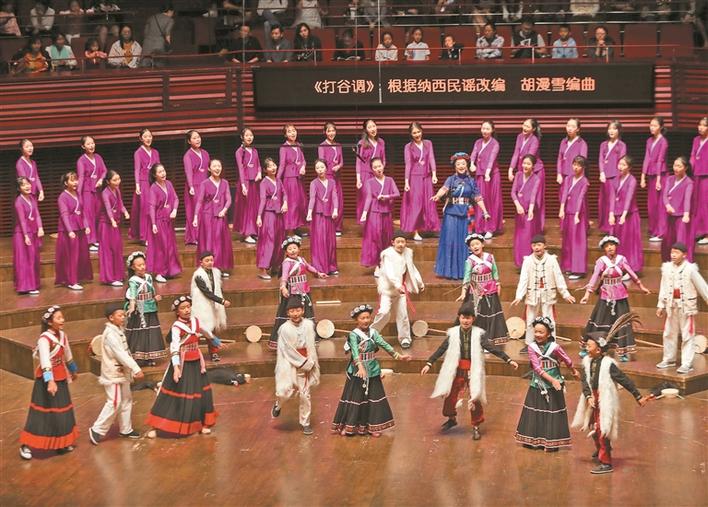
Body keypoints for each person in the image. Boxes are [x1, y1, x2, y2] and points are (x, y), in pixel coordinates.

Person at [422, 303, 518, 440]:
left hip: (472, 369)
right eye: (463, 317)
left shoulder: (478, 334)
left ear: (473, 319)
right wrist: (429, 363)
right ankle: (451, 418)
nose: (465, 321)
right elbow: (441, 349)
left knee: (475, 396)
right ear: (459, 318)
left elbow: (491, 348)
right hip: (456, 369)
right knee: (450, 395)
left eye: (468, 318)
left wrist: (508, 359)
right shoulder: (453, 334)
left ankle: (476, 425)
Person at [572, 320, 651, 474]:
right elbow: (585, 380)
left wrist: (637, 395)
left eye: (589, 346)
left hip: (604, 399)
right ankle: (601, 448)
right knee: (593, 426)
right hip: (592, 398)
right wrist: (588, 396)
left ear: (599, 349)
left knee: (603, 428)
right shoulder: (587, 362)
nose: (586, 348)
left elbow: (624, 379)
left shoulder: (608, 364)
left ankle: (606, 461)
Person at [332, 303, 412, 436]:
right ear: (357, 320)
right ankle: (350, 425)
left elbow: (384, 345)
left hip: (373, 369)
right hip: (358, 371)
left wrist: (398, 356)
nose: (365, 320)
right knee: (356, 398)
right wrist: (360, 367)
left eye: (367, 317)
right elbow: (355, 352)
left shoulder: (374, 333)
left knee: (374, 398)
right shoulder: (353, 335)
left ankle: (372, 427)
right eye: (362, 318)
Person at [146, 296, 218, 438]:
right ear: (177, 312)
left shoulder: (195, 321)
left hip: (196, 363)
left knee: (201, 393)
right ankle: (157, 426)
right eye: (183, 308)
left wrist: (214, 340)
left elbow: (205, 331)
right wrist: (176, 368)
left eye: (188, 307)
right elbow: (174, 348)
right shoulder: (176, 327)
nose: (187, 310)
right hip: (182, 364)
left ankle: (203, 424)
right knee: (172, 395)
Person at [19, 306, 78, 460]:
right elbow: (45, 360)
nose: (62, 320)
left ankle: (60, 443)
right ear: (50, 322)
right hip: (46, 381)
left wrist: (73, 370)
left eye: (62, 317)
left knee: (62, 412)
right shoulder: (44, 339)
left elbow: (68, 355)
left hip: (61, 378)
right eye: (58, 318)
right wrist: (50, 381)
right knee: (41, 414)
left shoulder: (63, 336)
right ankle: (26, 445)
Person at [580, 236, 651, 361]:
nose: (610, 248)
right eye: (607, 246)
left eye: (611, 245)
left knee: (622, 322)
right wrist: (587, 294)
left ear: (616, 246)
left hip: (620, 296)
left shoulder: (621, 260)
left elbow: (631, 273)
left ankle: (622, 351)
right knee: (600, 320)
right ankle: (590, 347)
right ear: (604, 249)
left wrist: (641, 286)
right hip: (606, 296)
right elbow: (594, 277)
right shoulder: (601, 261)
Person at [515, 317, 578, 451]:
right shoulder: (532, 348)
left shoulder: (555, 347)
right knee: (535, 410)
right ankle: (533, 440)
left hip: (554, 386)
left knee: (552, 411)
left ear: (548, 334)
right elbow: (537, 369)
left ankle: (551, 442)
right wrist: (553, 380)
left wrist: (573, 370)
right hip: (538, 384)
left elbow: (566, 359)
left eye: (541, 332)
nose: (538, 335)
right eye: (536, 332)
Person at [88, 303, 144, 445]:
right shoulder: (111, 334)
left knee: (126, 399)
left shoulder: (118, 330)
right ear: (111, 317)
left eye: (123, 315)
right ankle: (97, 429)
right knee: (114, 401)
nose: (123, 317)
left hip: (122, 372)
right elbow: (120, 354)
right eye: (120, 315)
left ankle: (126, 429)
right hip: (113, 373)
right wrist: (136, 368)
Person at [512, 234, 575, 351]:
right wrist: (519, 295)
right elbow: (523, 279)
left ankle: (551, 343)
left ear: (544, 246)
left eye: (539, 245)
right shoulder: (528, 261)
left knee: (549, 319)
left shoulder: (552, 260)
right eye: (534, 245)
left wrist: (565, 293)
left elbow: (558, 277)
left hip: (548, 294)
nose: (536, 247)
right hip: (533, 294)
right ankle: (529, 343)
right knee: (530, 319)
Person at [433, 152, 490, 279]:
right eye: (458, 164)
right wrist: (437, 195)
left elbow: (478, 197)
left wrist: (485, 211)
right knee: (451, 241)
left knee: (465, 242)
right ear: (455, 166)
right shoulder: (451, 179)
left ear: (467, 165)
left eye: (463, 163)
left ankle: (464, 272)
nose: (461, 166)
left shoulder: (471, 181)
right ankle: (450, 272)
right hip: (451, 214)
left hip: (466, 215)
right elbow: (444, 189)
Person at [272, 296, 320, 435]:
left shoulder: (308, 325)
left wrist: (310, 361)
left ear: (302, 310)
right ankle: (278, 405)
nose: (295, 313)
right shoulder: (284, 329)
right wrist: (303, 363)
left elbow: (311, 345)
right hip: (290, 362)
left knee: (305, 394)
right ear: (288, 313)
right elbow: (287, 350)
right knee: (285, 392)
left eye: (298, 310)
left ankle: (306, 423)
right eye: (292, 311)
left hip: (305, 362)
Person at [268, 236, 327, 350]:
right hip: (293, 293)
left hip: (304, 291)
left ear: (299, 249)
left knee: (306, 314)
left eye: (294, 248)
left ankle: (306, 340)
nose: (293, 251)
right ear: (286, 252)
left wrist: (318, 273)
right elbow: (285, 276)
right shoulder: (287, 263)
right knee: (293, 314)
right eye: (290, 249)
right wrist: (283, 287)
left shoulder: (302, 260)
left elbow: (309, 267)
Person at [372, 231, 424, 348]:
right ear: (393, 243)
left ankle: (405, 338)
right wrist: (397, 285)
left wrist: (419, 282)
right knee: (384, 312)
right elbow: (389, 272)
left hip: (401, 291)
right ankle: (371, 334)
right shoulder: (387, 255)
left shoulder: (407, 253)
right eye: (398, 242)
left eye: (403, 242)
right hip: (388, 290)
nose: (400, 244)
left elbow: (412, 269)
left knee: (403, 315)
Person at [456, 233, 509, 345]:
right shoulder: (470, 261)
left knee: (491, 314)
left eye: (477, 244)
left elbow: (494, 272)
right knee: (478, 315)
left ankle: (489, 340)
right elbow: (467, 277)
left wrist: (498, 284)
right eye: (472, 245)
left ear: (482, 244)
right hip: (476, 291)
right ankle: (478, 341)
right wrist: (463, 291)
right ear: (470, 248)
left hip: (491, 289)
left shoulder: (490, 257)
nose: (475, 246)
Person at [193, 159, 234, 274]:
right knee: (209, 242)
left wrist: (224, 210)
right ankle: (208, 267)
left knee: (220, 242)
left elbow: (229, 199)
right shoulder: (204, 183)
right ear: (209, 168)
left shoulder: (224, 182)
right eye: (214, 166)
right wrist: (195, 216)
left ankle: (219, 267)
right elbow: (200, 201)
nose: (217, 168)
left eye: (219, 166)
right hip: (207, 217)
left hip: (220, 216)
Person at [125, 251, 166, 366]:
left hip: (151, 307)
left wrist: (155, 298)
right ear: (133, 267)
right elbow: (133, 295)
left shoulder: (148, 277)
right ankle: (138, 356)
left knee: (150, 332)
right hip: (140, 309)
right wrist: (132, 307)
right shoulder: (133, 280)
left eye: (143, 264)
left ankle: (149, 356)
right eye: (139, 265)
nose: (142, 267)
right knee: (141, 332)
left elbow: (151, 290)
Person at [401, 122, 439, 241]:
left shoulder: (428, 143)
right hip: (414, 178)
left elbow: (431, 158)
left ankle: (429, 228)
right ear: (411, 134)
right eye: (414, 133)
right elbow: (408, 164)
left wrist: (434, 174)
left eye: (418, 132)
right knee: (416, 204)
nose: (417, 134)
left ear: (422, 131)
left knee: (428, 203)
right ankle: (415, 231)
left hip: (426, 177)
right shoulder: (408, 147)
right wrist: (406, 182)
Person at [191, 251, 231, 362]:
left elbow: (217, 288)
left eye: (211, 260)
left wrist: (219, 300)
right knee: (202, 329)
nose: (210, 262)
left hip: (213, 304)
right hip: (202, 305)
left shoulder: (216, 273)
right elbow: (206, 292)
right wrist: (221, 301)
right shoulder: (198, 275)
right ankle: (193, 353)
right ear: (201, 262)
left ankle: (213, 352)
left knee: (212, 329)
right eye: (207, 260)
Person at [56, 171, 92, 291]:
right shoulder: (62, 197)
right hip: (69, 230)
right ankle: (71, 281)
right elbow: (64, 215)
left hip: (79, 227)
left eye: (76, 179)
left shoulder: (78, 194)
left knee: (81, 254)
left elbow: (82, 212)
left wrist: (86, 225)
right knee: (71, 256)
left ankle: (78, 276)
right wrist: (69, 230)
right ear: (66, 183)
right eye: (72, 180)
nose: (75, 182)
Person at [360, 158, 400, 268]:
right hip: (374, 212)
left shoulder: (390, 180)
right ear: (372, 169)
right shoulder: (369, 182)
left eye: (379, 166)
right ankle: (376, 263)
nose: (378, 169)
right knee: (375, 237)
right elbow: (368, 198)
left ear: (383, 166)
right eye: (375, 167)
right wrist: (364, 213)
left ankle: (386, 262)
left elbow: (397, 193)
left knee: (386, 237)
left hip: (386, 212)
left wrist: (386, 197)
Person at [146, 163, 181, 282]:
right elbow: (151, 207)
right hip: (159, 221)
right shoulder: (153, 188)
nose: (163, 173)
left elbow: (176, 199)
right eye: (160, 172)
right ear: (154, 175)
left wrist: (175, 210)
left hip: (168, 221)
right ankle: (159, 272)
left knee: (170, 246)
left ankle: (170, 270)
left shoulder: (169, 184)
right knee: (160, 247)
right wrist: (153, 224)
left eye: (163, 171)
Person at [508, 119, 544, 228]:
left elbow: (529, 158)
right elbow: (516, 153)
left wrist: (523, 168)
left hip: (534, 170)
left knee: (535, 199)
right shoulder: (519, 137)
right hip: (524, 168)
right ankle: (523, 224)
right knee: (522, 197)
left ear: (533, 129)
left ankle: (537, 226)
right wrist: (511, 169)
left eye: (528, 126)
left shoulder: (535, 140)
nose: (524, 128)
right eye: (524, 125)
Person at [609, 155, 643, 272]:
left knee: (629, 243)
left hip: (629, 216)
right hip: (617, 214)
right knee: (617, 242)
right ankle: (618, 267)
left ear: (629, 167)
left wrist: (624, 215)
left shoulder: (632, 180)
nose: (620, 167)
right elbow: (612, 197)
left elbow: (629, 198)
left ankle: (630, 268)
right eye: (619, 164)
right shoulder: (615, 179)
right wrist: (611, 214)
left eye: (623, 165)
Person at [470, 120, 503, 238]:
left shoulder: (495, 144)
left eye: (487, 129)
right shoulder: (478, 142)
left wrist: (488, 173)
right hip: (480, 175)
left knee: (491, 200)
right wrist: (471, 164)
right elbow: (474, 154)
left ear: (492, 130)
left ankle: (490, 228)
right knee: (480, 199)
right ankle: (480, 227)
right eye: (483, 128)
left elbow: (491, 159)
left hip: (492, 176)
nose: (485, 131)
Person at [306, 159, 339, 275]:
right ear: (315, 170)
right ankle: (320, 266)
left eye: (322, 167)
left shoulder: (332, 182)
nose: (320, 170)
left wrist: (335, 209)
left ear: (326, 168)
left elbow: (334, 196)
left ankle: (331, 266)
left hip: (329, 215)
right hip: (318, 216)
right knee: (320, 240)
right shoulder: (313, 183)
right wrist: (309, 212)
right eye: (317, 168)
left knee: (330, 241)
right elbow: (312, 198)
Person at [559, 155, 590, 280]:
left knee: (578, 241)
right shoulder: (568, 178)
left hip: (578, 214)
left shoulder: (584, 181)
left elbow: (580, 198)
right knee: (568, 240)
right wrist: (562, 208)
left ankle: (578, 270)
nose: (575, 167)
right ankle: (568, 266)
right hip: (568, 212)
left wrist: (577, 214)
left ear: (583, 167)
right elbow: (564, 193)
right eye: (574, 164)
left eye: (578, 165)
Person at [257, 157, 287, 280]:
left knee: (280, 240)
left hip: (279, 214)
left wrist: (285, 203)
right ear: (265, 170)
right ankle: (263, 269)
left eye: (274, 165)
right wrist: (259, 216)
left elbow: (284, 194)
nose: (273, 168)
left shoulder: (279, 180)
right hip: (269, 214)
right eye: (269, 166)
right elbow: (262, 200)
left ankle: (276, 265)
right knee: (269, 241)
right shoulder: (263, 183)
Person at [98, 170, 129, 286]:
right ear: (108, 181)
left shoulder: (117, 190)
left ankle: (118, 275)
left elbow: (120, 204)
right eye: (114, 180)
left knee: (117, 249)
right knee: (108, 251)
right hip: (106, 225)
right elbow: (107, 208)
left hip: (115, 224)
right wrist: (111, 220)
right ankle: (110, 278)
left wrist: (125, 212)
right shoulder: (105, 193)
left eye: (118, 179)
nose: (118, 182)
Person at [661, 157, 694, 262]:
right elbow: (664, 195)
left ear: (685, 168)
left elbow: (687, 199)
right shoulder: (669, 179)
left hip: (681, 216)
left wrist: (686, 214)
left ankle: (682, 265)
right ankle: (669, 263)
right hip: (669, 215)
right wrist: (667, 205)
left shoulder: (688, 182)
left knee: (680, 241)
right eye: (675, 165)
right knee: (667, 241)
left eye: (679, 166)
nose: (676, 168)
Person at [77, 135, 108, 249]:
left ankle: (98, 238)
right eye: (88, 144)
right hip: (87, 191)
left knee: (98, 214)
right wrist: (78, 194)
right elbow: (81, 177)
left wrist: (101, 179)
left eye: (92, 143)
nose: (91, 146)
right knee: (88, 215)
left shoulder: (98, 157)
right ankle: (90, 241)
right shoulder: (81, 160)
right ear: (83, 146)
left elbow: (104, 171)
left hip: (98, 190)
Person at [511, 155, 542, 268]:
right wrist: (517, 205)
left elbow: (534, 195)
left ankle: (529, 263)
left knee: (528, 236)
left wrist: (531, 209)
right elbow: (513, 192)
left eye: (528, 164)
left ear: (533, 166)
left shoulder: (536, 179)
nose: (525, 166)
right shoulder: (518, 175)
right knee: (519, 237)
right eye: (524, 163)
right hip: (519, 210)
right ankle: (520, 263)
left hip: (530, 211)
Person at [14, 177, 44, 295]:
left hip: (33, 231)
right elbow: (22, 220)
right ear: (19, 188)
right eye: (23, 185)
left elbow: (37, 214)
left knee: (33, 258)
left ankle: (33, 284)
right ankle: (26, 286)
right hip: (22, 234)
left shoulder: (32, 198)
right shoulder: (18, 201)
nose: (27, 186)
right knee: (25, 260)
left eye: (28, 184)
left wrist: (40, 227)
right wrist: (26, 235)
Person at [130, 128, 160, 243]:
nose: (148, 139)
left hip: (154, 182)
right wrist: (137, 185)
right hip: (143, 183)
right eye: (145, 136)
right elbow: (137, 169)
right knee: (145, 209)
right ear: (141, 139)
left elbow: (158, 168)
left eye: (150, 136)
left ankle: (154, 233)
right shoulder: (138, 153)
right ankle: (144, 236)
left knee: (155, 208)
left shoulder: (155, 152)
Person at [641, 116, 669, 242]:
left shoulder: (663, 141)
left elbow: (660, 161)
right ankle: (653, 230)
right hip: (651, 175)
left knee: (660, 205)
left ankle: (661, 232)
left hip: (661, 175)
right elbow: (647, 158)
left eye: (655, 126)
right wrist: (643, 176)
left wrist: (658, 179)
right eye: (651, 125)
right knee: (651, 205)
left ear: (661, 127)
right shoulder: (648, 140)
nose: (652, 128)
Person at [597, 120, 627, 233]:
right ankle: (605, 227)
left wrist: (619, 177)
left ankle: (613, 228)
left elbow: (622, 162)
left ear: (619, 131)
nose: (611, 131)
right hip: (605, 177)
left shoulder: (621, 145)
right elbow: (600, 159)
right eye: (609, 128)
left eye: (614, 128)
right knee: (604, 202)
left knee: (613, 202)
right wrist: (601, 172)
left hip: (615, 177)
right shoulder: (603, 144)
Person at [278, 123, 307, 236]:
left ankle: (296, 227)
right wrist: (277, 180)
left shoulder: (298, 145)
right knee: (292, 204)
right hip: (290, 179)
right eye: (289, 131)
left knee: (300, 203)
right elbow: (282, 165)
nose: (292, 133)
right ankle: (290, 231)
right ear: (285, 134)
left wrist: (303, 167)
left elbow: (303, 160)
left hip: (299, 179)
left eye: (294, 130)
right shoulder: (283, 147)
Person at [183, 129, 211, 245]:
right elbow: (188, 172)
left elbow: (209, 170)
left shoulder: (205, 153)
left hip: (205, 185)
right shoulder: (187, 155)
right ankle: (195, 236)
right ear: (189, 141)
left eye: (198, 137)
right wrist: (191, 186)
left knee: (206, 211)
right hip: (194, 187)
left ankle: (205, 235)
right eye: (194, 138)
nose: (197, 139)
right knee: (195, 211)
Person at [234, 127, 261, 243]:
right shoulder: (239, 152)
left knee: (255, 207)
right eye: (247, 135)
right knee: (246, 208)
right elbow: (240, 169)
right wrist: (243, 185)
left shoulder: (254, 151)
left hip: (254, 182)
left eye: (251, 135)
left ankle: (254, 231)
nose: (249, 137)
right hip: (245, 182)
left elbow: (258, 164)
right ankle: (246, 234)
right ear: (242, 137)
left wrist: (259, 172)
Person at [317, 121, 344, 235]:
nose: (331, 133)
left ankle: (337, 227)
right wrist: (328, 169)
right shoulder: (322, 146)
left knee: (338, 201)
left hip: (336, 177)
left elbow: (341, 162)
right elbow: (321, 162)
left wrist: (338, 166)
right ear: (325, 132)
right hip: (326, 177)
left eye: (333, 130)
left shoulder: (338, 145)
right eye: (329, 131)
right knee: (327, 201)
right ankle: (327, 226)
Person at [356, 119, 386, 219]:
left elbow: (383, 159)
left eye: (373, 126)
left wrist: (381, 172)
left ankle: (376, 221)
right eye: (369, 127)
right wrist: (358, 179)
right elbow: (358, 162)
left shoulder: (381, 142)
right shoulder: (362, 143)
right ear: (366, 130)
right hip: (365, 174)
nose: (372, 129)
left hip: (377, 175)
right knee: (366, 198)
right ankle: (365, 222)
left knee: (377, 198)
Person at [556, 118, 588, 191]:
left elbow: (582, 163)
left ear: (578, 129)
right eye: (568, 126)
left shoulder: (582, 143)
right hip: (563, 176)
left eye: (573, 126)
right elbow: (559, 159)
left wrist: (579, 179)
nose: (570, 128)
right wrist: (559, 173)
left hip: (574, 176)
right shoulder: (563, 141)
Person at [691, 117, 708, 245]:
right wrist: (691, 165)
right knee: (697, 203)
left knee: (705, 204)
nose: (700, 127)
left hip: (706, 175)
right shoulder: (696, 140)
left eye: (704, 125)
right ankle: (699, 231)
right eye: (699, 125)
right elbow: (693, 155)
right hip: (696, 174)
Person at [141, 2, 174, 66]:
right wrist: (169, 46)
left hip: (147, 43)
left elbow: (145, 32)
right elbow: (167, 35)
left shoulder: (151, 17)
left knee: (144, 64)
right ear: (169, 11)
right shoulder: (170, 20)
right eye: (173, 12)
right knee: (159, 64)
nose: (172, 14)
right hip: (159, 44)